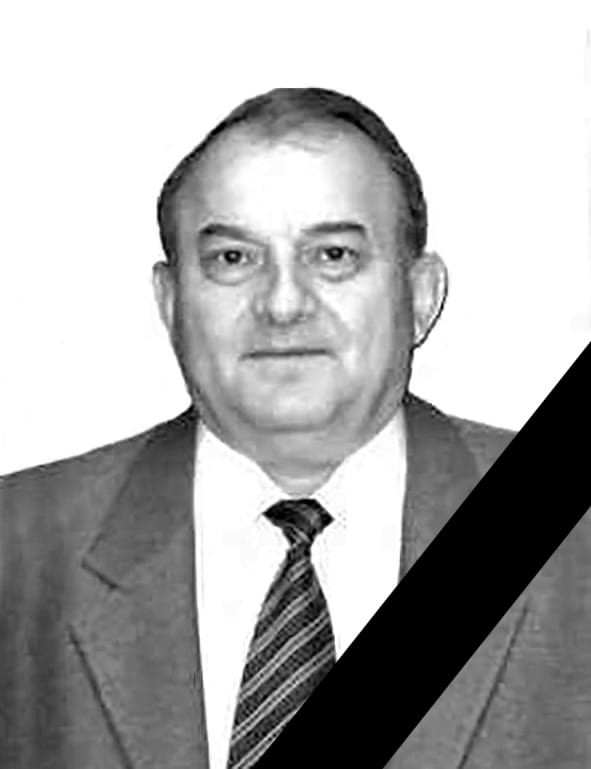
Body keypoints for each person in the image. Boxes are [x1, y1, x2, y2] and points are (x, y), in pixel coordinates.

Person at [1, 87, 586, 769]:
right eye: (233, 259)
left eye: (333, 255)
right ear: (170, 300)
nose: (282, 304)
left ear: (421, 294)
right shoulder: (18, 548)